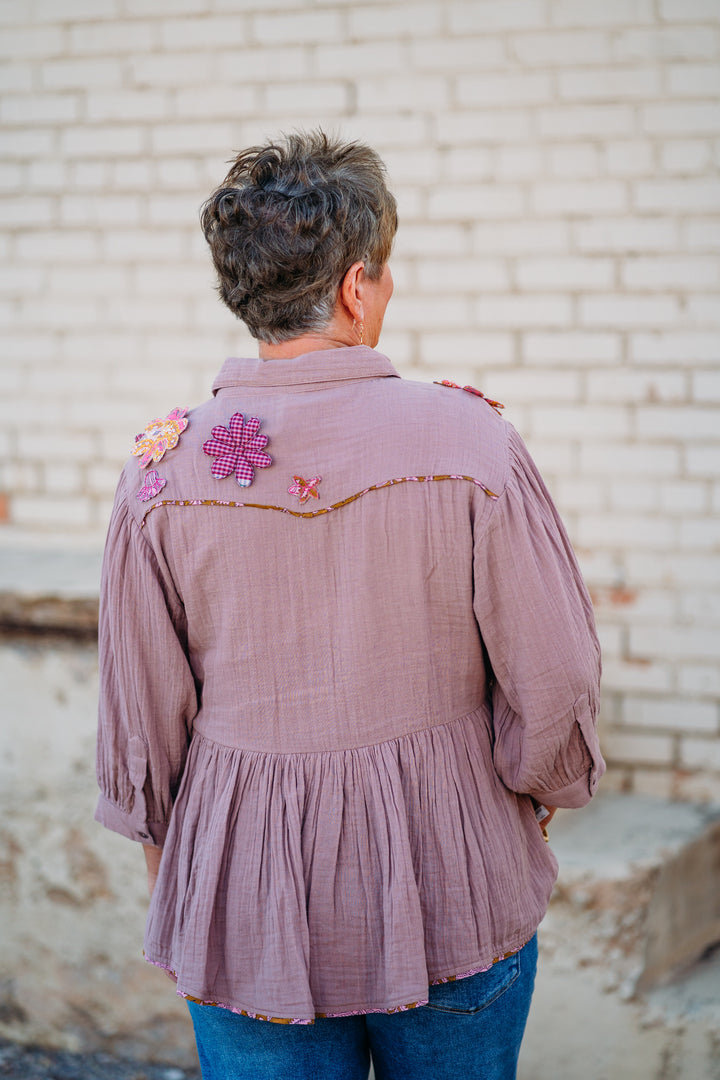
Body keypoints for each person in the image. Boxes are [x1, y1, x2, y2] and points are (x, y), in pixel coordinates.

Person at [95, 131, 604, 1080]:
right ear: (356, 285)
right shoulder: (471, 440)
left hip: (243, 890)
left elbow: (143, 717)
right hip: (451, 866)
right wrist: (538, 791)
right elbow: (557, 670)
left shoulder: (159, 473)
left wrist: (177, 864)